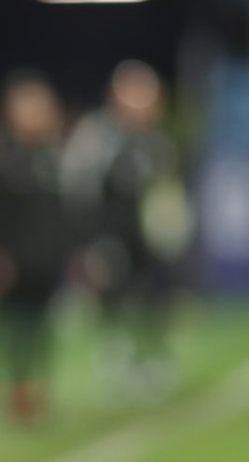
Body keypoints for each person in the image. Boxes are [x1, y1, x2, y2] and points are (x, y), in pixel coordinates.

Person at [61, 59, 189, 395]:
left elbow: (167, 193)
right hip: (109, 236)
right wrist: (89, 241)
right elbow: (77, 188)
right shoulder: (97, 136)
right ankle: (117, 362)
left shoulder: (156, 142)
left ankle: (153, 358)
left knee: (154, 299)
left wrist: (171, 232)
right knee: (114, 300)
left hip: (148, 238)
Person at [0, 71, 69, 423]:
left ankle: (36, 390)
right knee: (9, 329)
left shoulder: (52, 156)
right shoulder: (3, 157)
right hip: (11, 261)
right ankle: (10, 393)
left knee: (41, 329)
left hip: (45, 260)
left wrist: (67, 253)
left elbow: (60, 213)